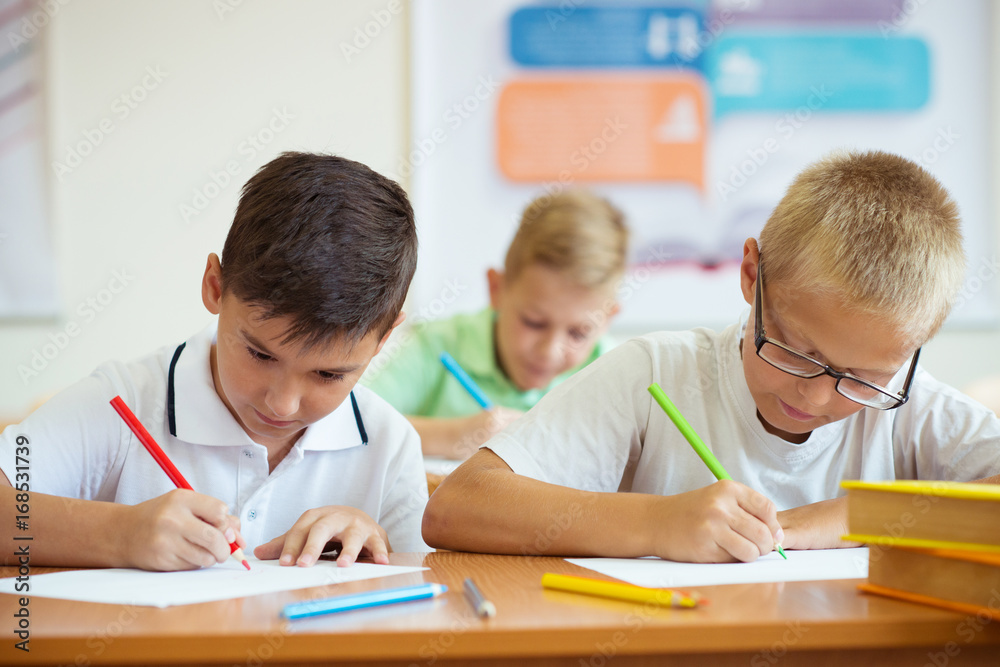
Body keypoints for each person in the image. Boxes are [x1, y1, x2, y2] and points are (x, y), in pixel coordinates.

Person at [423, 150, 1000, 563]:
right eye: (797, 351)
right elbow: (459, 506)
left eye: (864, 379)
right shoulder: (655, 374)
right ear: (752, 273)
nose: (817, 395)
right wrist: (657, 522)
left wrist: (848, 518)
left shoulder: (912, 412)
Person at [0, 152, 428, 571]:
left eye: (328, 374)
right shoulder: (125, 403)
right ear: (215, 287)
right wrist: (120, 533)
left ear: (384, 340)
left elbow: (424, 593)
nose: (283, 404)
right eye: (260, 354)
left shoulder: (389, 444)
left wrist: (376, 544)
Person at [364, 189, 629, 461]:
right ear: (496, 289)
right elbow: (355, 421)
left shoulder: (614, 373)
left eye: (578, 333)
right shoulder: (439, 344)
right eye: (534, 322)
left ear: (606, 320)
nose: (550, 351)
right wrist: (451, 436)